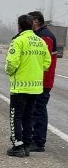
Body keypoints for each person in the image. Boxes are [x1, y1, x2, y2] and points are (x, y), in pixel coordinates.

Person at [5, 14, 51, 157]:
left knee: (16, 116)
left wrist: (10, 72)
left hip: (20, 86)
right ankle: (26, 144)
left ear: (19, 26)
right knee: (29, 116)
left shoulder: (18, 41)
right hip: (36, 87)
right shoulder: (40, 42)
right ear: (32, 25)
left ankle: (17, 145)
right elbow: (47, 63)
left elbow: (12, 63)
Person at [25, 10, 57, 152]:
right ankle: (34, 138)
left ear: (35, 21)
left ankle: (38, 141)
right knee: (36, 109)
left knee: (38, 110)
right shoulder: (40, 35)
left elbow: (43, 62)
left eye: (29, 20)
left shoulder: (45, 37)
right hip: (39, 80)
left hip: (43, 81)